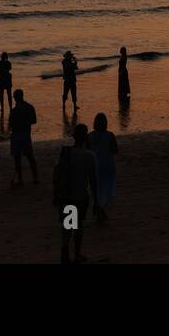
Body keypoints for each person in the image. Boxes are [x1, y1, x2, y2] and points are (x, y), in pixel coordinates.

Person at [53, 123, 98, 264]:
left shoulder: (65, 153)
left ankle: (65, 252)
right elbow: (93, 180)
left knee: (67, 226)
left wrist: (55, 193)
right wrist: (97, 200)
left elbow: (57, 174)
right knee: (78, 227)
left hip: (66, 195)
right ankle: (77, 254)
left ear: (73, 136)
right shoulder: (89, 155)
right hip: (80, 196)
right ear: (86, 138)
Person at [88, 112, 119, 221]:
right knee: (106, 189)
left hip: (94, 165)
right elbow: (115, 150)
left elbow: (86, 151)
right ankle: (101, 209)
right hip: (107, 165)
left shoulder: (90, 136)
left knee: (96, 189)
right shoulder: (110, 135)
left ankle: (99, 208)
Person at [9, 88, 39, 185]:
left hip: (17, 135)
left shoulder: (14, 110)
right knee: (30, 157)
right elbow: (34, 120)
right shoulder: (30, 107)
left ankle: (20, 180)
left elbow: (11, 124)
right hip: (26, 134)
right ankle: (35, 178)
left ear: (16, 98)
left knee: (18, 159)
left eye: (14, 97)